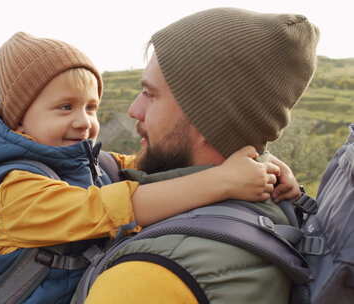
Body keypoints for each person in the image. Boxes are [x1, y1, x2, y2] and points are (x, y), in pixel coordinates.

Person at [0, 32, 301, 303]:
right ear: (19, 121)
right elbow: (113, 207)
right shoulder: (17, 191)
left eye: (91, 107)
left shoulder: (87, 162)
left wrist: (261, 164)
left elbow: (153, 168)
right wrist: (222, 181)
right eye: (65, 107)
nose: (84, 122)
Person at [82, 7, 319, 304]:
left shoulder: (149, 278)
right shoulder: (276, 205)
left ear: (208, 116)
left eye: (150, 93)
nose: (134, 110)